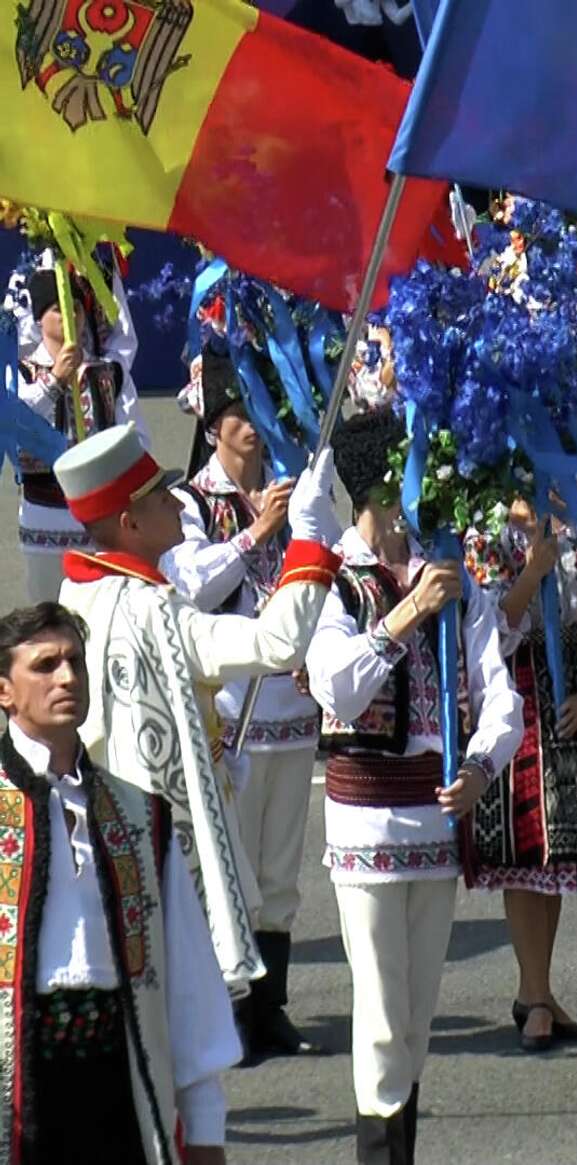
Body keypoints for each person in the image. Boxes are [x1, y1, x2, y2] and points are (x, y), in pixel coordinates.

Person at [56, 421, 341, 996]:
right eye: (160, 497)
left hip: (114, 839)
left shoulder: (78, 594)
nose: (175, 505)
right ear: (129, 523)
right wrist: (311, 541)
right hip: (166, 850)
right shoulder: (155, 610)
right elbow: (275, 644)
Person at [306, 410, 523, 1163]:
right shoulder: (333, 577)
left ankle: (401, 1146)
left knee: (419, 1015)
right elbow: (334, 682)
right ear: (379, 489)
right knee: (382, 1014)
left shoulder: (451, 575)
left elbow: (501, 694)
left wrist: (481, 766)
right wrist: (405, 614)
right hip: (364, 819)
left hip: (434, 816)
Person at [0, 602, 238, 1164]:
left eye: (76, 663)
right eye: (45, 665)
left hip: (117, 1081)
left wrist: (205, 1134)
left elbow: (189, 982)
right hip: (19, 1090)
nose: (66, 677)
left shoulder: (137, 815)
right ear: (4, 691)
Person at [162, 348, 325, 1062]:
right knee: (233, 866)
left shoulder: (293, 491)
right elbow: (189, 584)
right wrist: (257, 531)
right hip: (231, 712)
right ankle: (227, 1008)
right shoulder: (189, 501)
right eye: (237, 413)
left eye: (259, 411)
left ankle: (272, 1009)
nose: (251, 427)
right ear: (211, 420)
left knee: (283, 867)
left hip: (291, 703)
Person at [461, 492, 577, 1051]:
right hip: (517, 691)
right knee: (525, 849)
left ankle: (540, 988)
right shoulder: (486, 535)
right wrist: (533, 569)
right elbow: (491, 624)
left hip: (573, 695)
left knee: (555, 857)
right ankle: (534, 995)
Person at [14, 266, 139, 602]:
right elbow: (17, 423)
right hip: (44, 513)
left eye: (77, 306)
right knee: (46, 614)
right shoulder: (21, 372)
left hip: (97, 514)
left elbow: (132, 434)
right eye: (57, 308)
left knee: (99, 612)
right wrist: (54, 379)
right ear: (39, 318)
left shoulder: (107, 372)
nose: (70, 313)